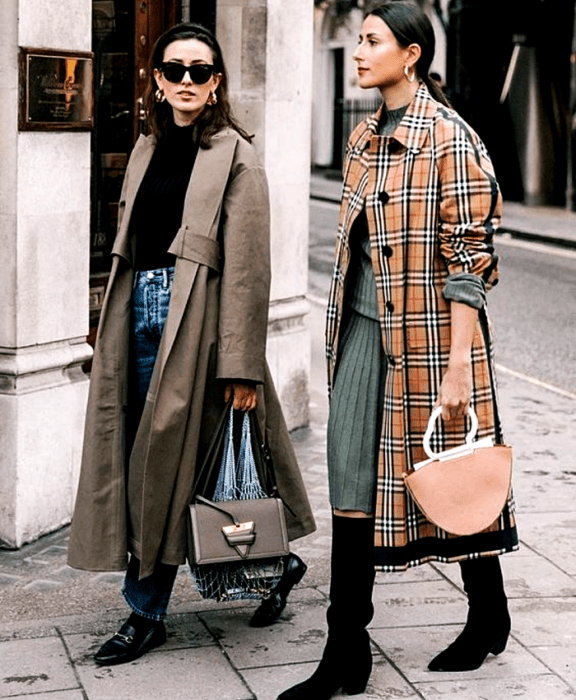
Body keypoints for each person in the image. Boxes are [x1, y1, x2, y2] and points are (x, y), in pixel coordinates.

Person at [277, 2, 518, 699]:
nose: (357, 51)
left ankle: (488, 616)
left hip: (432, 344)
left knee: (453, 475)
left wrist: (459, 371)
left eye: (372, 40)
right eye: (358, 39)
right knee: (350, 484)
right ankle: (346, 651)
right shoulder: (359, 141)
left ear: (410, 54)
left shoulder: (451, 139)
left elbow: (469, 263)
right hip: (359, 334)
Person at [67, 22, 315, 666]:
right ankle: (276, 561)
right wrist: (110, 321)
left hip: (197, 322)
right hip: (137, 315)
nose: (184, 81)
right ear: (155, 79)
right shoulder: (147, 146)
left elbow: (248, 269)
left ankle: (145, 611)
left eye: (198, 72)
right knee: (168, 462)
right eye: (173, 69)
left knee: (165, 461)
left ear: (216, 83)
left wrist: (240, 365)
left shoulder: (237, 154)